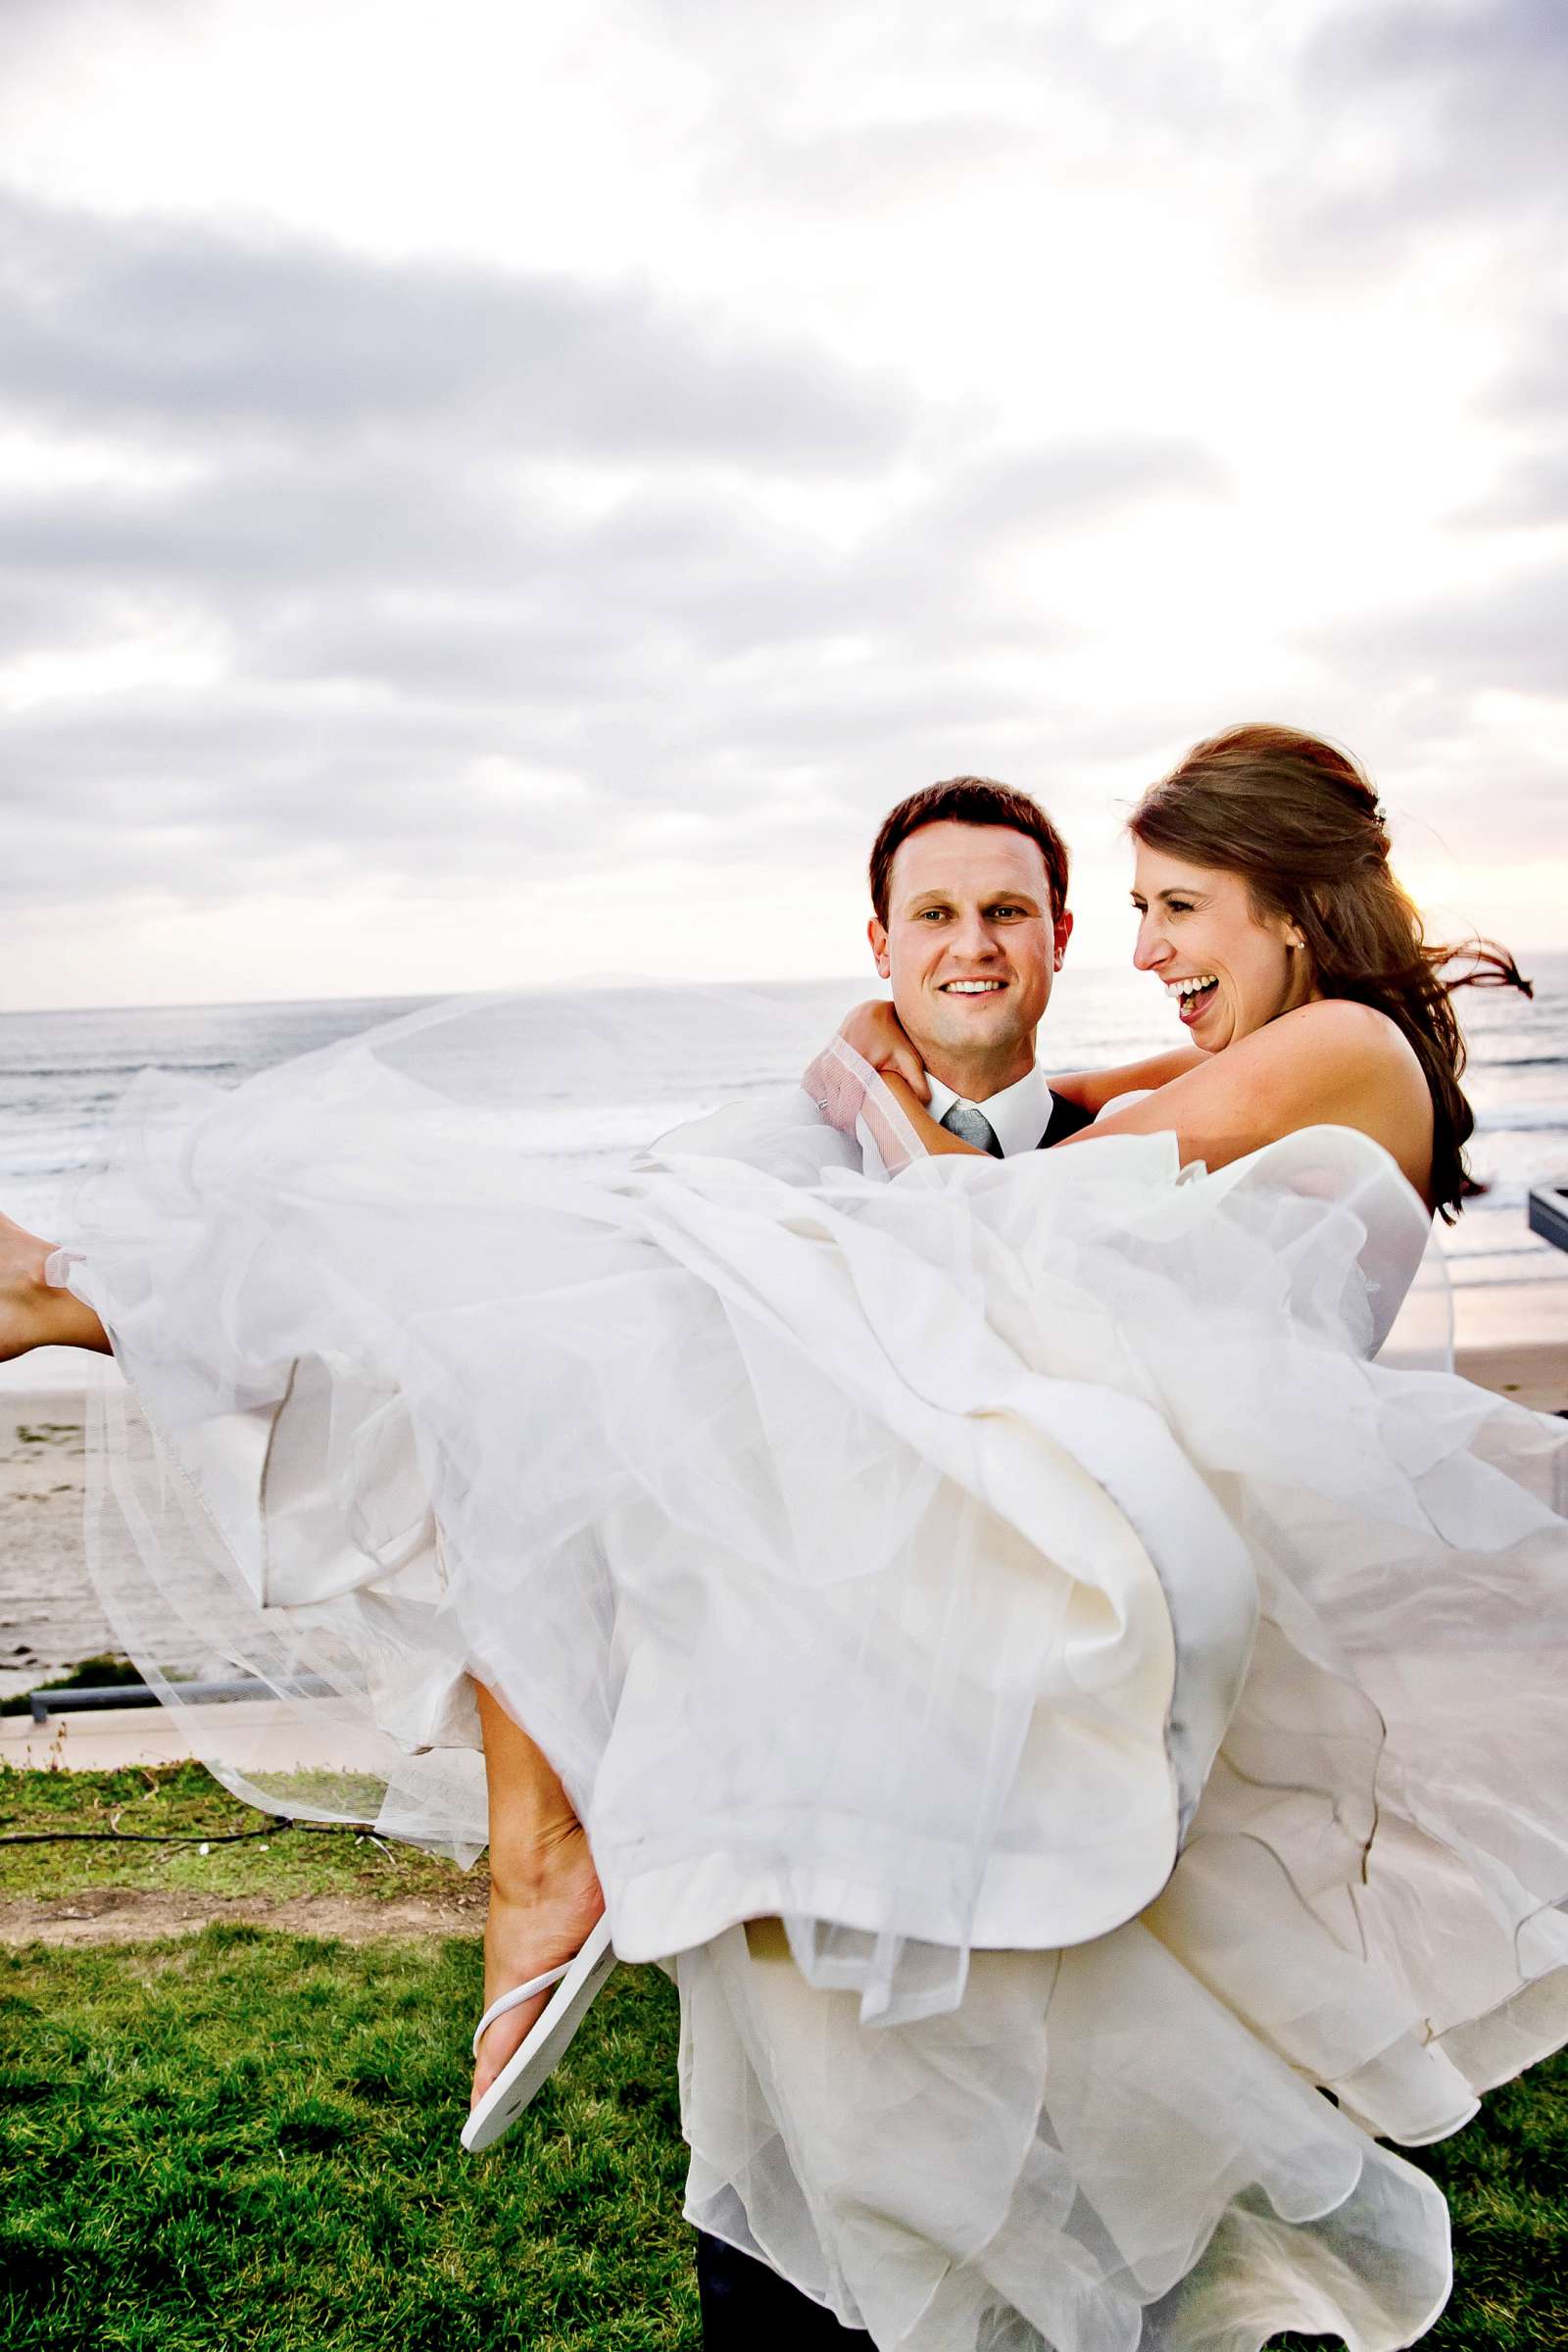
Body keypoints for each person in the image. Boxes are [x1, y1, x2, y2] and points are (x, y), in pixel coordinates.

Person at [1, 724, 1562, 2352]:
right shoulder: (1284, 1048)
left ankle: (92, 1299)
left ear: (1288, 907)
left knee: (598, 1313)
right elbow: (1063, 1103)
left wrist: (869, 1088)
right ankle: (104, 1300)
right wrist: (883, 1056)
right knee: (567, 1349)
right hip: (1061, 1507)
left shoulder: (1345, 1052)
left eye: (1180, 909)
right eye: (1144, 911)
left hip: (1089, 1528)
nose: (1158, 951)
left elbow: (998, 1207)